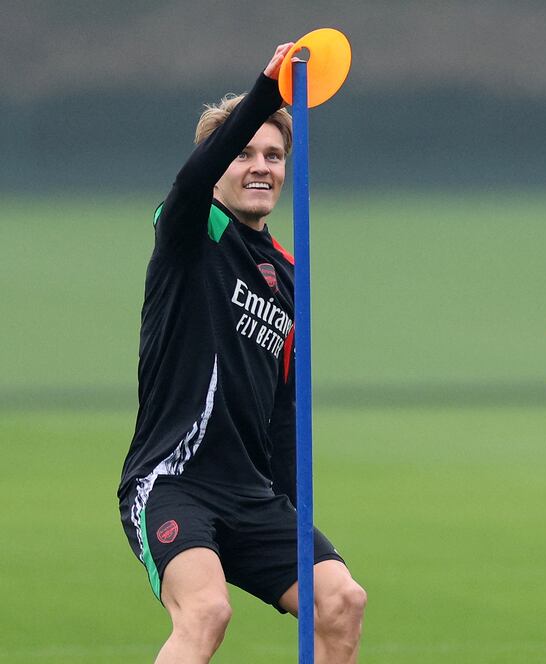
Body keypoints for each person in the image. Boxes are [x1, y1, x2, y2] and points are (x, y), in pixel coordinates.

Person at [117, 43, 366, 663]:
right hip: (173, 480)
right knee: (206, 612)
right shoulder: (192, 231)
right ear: (218, 164)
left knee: (341, 601)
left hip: (250, 494)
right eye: (244, 153)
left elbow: (283, 409)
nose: (262, 167)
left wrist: (291, 509)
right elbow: (191, 180)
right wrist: (268, 91)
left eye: (275, 156)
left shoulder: (286, 272)